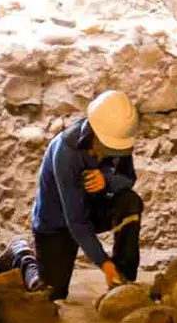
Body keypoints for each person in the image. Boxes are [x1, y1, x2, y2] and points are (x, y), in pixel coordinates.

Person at [30, 90, 144, 301]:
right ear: (93, 132)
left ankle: (124, 282)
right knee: (51, 295)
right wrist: (104, 263)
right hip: (57, 224)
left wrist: (107, 180)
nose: (105, 156)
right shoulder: (66, 152)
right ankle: (21, 256)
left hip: (91, 210)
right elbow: (76, 222)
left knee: (129, 202)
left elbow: (128, 179)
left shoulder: (118, 139)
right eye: (103, 150)